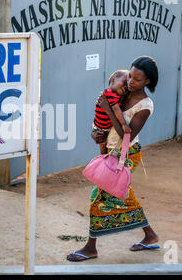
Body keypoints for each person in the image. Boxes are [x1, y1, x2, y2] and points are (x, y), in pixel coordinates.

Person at [67, 56, 160, 262]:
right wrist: (96, 134)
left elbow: (127, 135)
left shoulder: (145, 106)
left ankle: (91, 248)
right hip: (111, 153)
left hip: (127, 156)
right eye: (130, 76)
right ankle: (150, 235)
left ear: (147, 82)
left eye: (136, 79)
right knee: (125, 196)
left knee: (97, 198)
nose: (130, 82)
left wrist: (109, 110)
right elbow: (102, 120)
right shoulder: (122, 93)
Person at [92, 70, 131, 155]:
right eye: (124, 82)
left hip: (105, 127)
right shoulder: (110, 93)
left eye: (128, 86)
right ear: (113, 81)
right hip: (100, 128)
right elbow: (116, 110)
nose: (126, 87)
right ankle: (102, 162)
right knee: (103, 150)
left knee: (104, 149)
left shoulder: (117, 96)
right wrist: (124, 124)